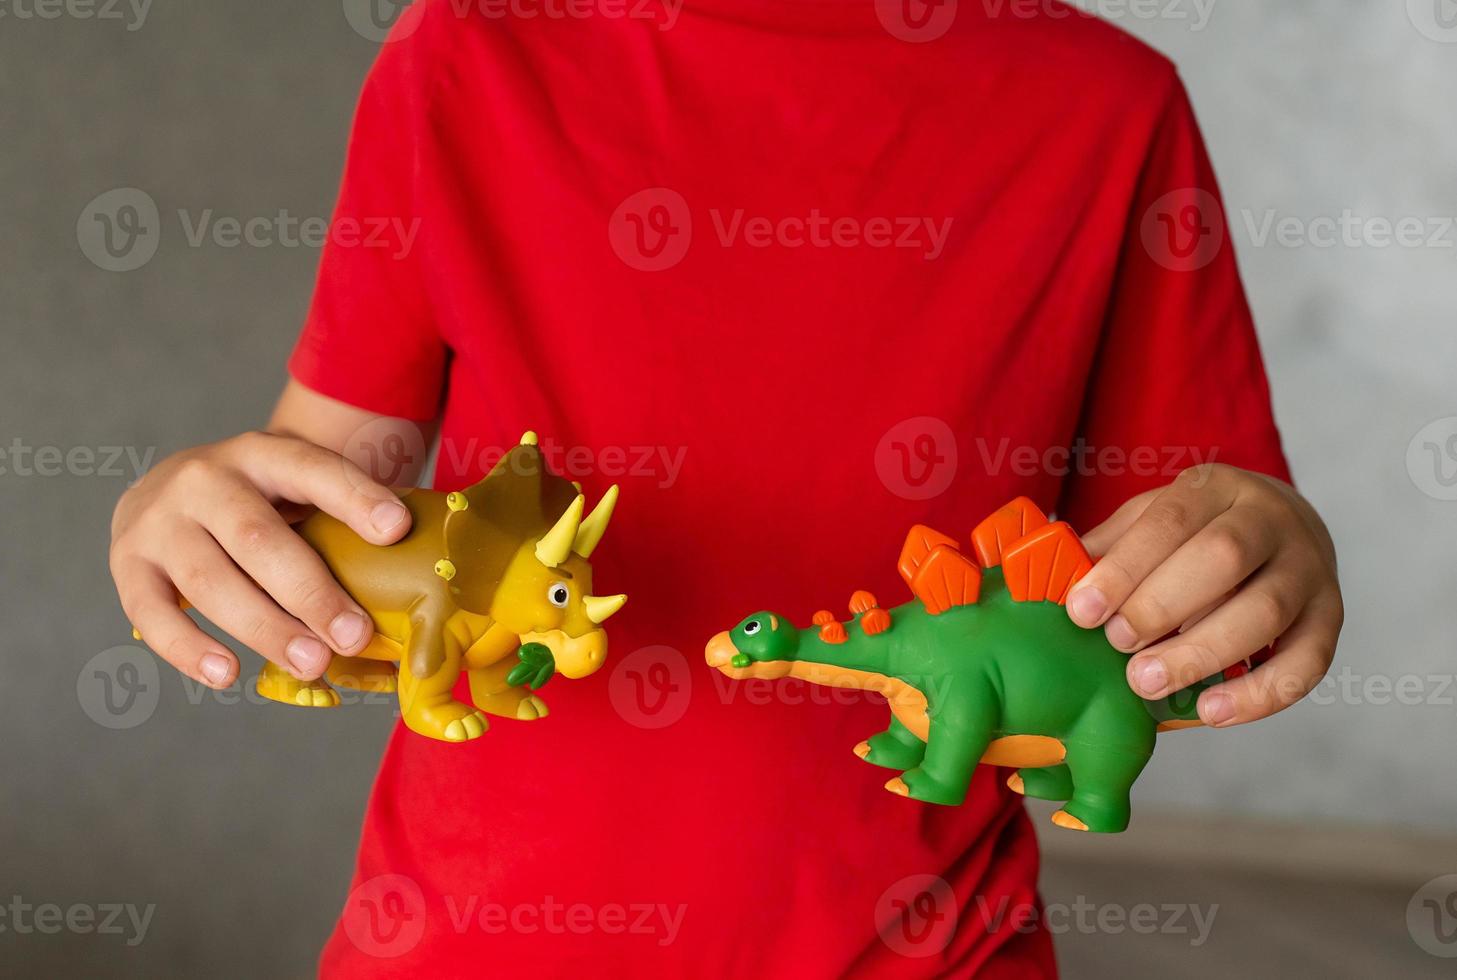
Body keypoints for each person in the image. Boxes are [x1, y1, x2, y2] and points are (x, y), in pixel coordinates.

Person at [107, 2, 1343, 975]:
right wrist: (183, 505)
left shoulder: (1112, 109)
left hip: (935, 949)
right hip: (459, 943)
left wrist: (1274, 549)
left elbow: (1205, 533)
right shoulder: (465, 49)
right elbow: (330, 499)